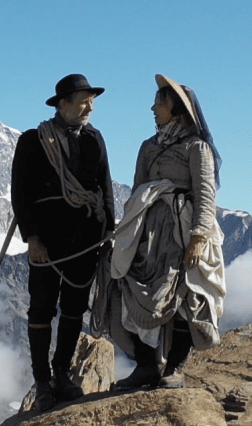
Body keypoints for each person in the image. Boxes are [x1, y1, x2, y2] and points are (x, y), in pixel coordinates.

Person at [94, 74, 226, 389]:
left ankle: (175, 368)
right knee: (122, 282)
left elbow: (205, 194)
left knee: (184, 296)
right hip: (144, 232)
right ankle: (146, 365)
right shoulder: (148, 147)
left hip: (181, 232)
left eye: (158, 102)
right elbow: (138, 188)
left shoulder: (197, 147)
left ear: (175, 108)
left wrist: (198, 237)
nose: (152, 108)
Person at [10, 72, 115, 405]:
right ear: (63, 104)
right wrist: (32, 239)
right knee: (40, 310)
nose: (89, 108)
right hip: (48, 242)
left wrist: (109, 230)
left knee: (74, 308)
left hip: (85, 238)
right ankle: (42, 383)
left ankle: (62, 374)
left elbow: (105, 188)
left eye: (92, 102)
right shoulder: (33, 141)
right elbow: (20, 194)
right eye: (84, 101)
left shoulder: (94, 140)